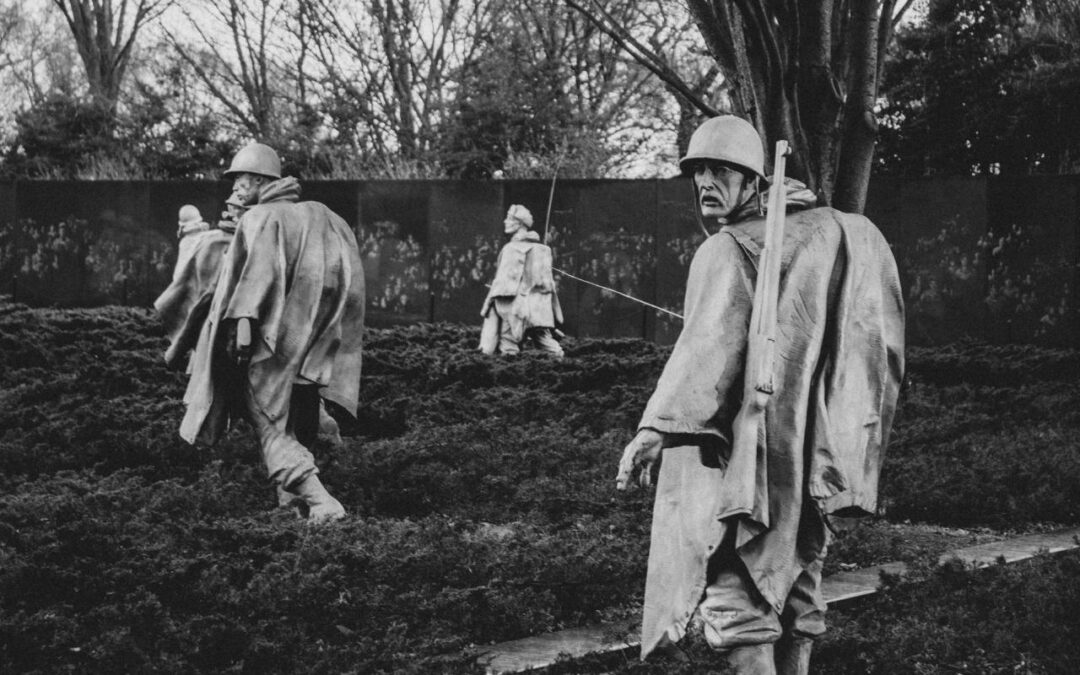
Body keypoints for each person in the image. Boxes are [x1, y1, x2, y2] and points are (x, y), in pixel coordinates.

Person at [616, 115, 904, 674]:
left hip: (746, 462)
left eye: (720, 170)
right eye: (697, 171)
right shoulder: (842, 233)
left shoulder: (728, 249)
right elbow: (879, 342)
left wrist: (654, 430)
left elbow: (707, 349)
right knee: (796, 583)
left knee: (737, 595)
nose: (704, 182)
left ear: (753, 180)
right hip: (813, 458)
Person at [178, 142, 365, 523]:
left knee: (268, 424)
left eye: (241, 182)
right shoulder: (320, 217)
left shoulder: (261, 218)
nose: (236, 191)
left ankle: (321, 502)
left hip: (265, 347)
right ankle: (289, 506)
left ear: (261, 180)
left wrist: (243, 331)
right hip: (309, 347)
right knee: (298, 422)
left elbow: (255, 279)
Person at [479, 204, 564, 357]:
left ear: (519, 223)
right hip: (539, 309)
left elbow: (502, 285)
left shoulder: (510, 249)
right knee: (546, 342)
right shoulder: (543, 250)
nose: (505, 221)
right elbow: (548, 284)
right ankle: (562, 367)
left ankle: (513, 374)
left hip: (513, 308)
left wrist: (488, 305)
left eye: (509, 218)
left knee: (508, 344)